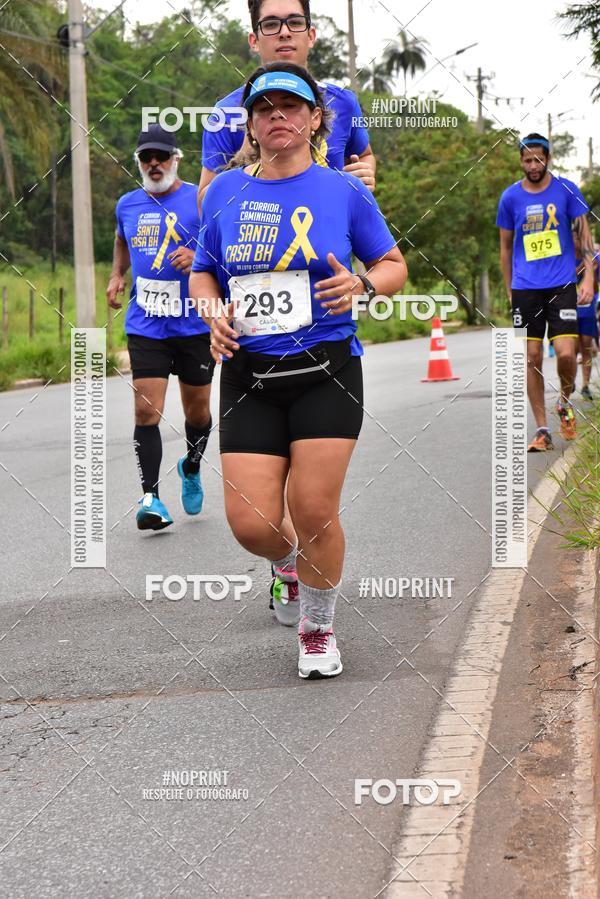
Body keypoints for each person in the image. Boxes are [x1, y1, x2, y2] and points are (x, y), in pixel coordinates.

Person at [189, 64, 407, 679]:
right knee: (252, 524)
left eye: (291, 105)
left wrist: (363, 283)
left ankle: (317, 627)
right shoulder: (224, 192)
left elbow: (393, 264)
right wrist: (212, 312)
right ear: (251, 125)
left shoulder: (344, 191)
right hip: (248, 373)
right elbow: (203, 269)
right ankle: (287, 565)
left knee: (313, 510)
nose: (276, 115)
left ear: (315, 119)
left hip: (327, 370)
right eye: (264, 108)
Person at [107, 124, 215, 530]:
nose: (154, 164)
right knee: (145, 408)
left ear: (176, 159)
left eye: (161, 157)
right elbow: (121, 239)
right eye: (146, 158)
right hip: (146, 322)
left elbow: (225, 245)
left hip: (194, 324)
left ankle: (191, 464)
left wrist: (200, 255)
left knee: (198, 411)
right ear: (139, 162)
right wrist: (118, 274)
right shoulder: (128, 204)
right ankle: (150, 497)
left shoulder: (200, 199)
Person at [198, 0, 376, 204]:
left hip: (330, 231)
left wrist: (364, 172)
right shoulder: (225, 114)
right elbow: (204, 204)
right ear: (254, 40)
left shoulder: (344, 102)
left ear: (311, 36)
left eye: (295, 22)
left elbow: (365, 155)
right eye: (271, 24)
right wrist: (246, 157)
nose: (284, 32)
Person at [496, 132, 595, 452]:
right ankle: (541, 429)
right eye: (527, 160)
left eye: (538, 159)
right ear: (521, 161)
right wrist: (510, 289)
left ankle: (564, 402)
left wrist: (589, 279)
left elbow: (585, 239)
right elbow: (506, 247)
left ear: (548, 158)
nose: (533, 165)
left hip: (562, 285)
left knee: (567, 354)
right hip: (525, 288)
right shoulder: (510, 198)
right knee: (532, 358)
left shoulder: (566, 189)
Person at [573, 225, 599, 400]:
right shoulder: (565, 258)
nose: (579, 241)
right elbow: (571, 276)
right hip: (568, 309)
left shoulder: (593, 258)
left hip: (587, 308)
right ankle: (568, 382)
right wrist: (587, 265)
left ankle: (585, 385)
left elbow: (596, 283)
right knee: (572, 348)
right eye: (575, 237)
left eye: (580, 237)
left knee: (587, 347)